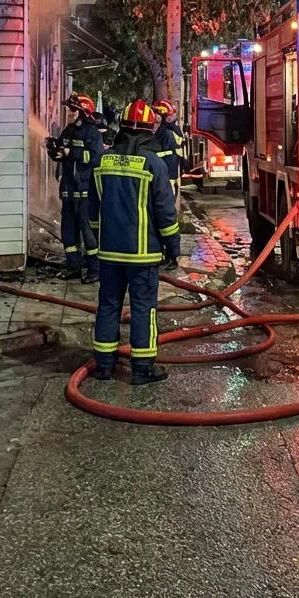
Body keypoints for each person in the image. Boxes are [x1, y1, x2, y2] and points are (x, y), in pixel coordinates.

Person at [88, 99, 181, 384]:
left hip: (109, 252)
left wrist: (99, 239)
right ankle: (142, 369)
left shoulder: (102, 161)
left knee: (108, 305)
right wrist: (173, 248)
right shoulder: (154, 164)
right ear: (149, 131)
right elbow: (165, 212)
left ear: (122, 128)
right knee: (143, 308)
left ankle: (104, 365)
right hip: (143, 254)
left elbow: (93, 211)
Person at [47, 93, 103, 283]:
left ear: (83, 112)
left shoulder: (92, 133)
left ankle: (95, 269)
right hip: (69, 190)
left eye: (73, 110)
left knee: (88, 234)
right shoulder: (69, 130)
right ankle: (73, 267)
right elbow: (61, 152)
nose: (69, 113)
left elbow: (95, 158)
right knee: (68, 232)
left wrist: (72, 152)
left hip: (86, 192)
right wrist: (53, 149)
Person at [151, 99, 186, 216]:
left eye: (156, 113)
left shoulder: (166, 133)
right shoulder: (171, 130)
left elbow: (161, 153)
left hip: (167, 174)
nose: (154, 117)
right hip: (170, 174)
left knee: (165, 206)